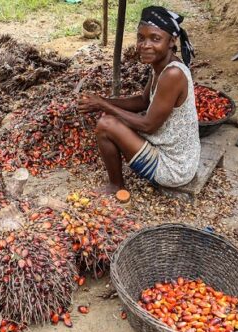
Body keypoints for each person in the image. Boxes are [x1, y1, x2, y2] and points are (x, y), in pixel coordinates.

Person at [78, 6, 200, 193]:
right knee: (110, 118)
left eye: (155, 38)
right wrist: (102, 101)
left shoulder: (173, 74)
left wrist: (103, 105)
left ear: (171, 41)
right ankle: (117, 183)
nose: (145, 45)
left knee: (105, 124)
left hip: (174, 168)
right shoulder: (161, 65)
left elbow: (148, 126)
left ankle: (116, 186)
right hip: (176, 154)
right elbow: (143, 102)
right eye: (141, 38)